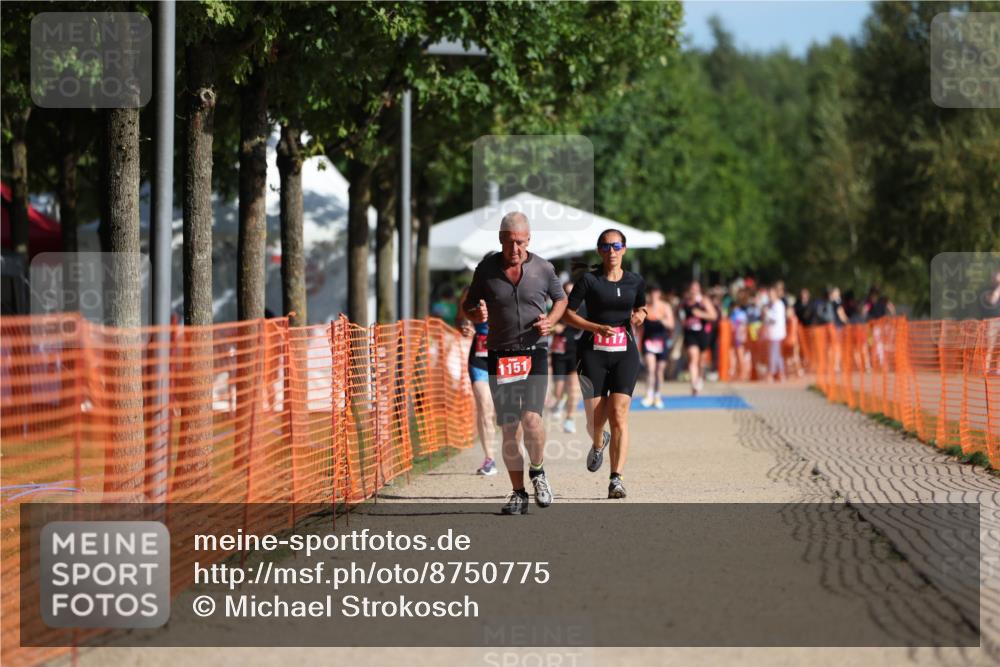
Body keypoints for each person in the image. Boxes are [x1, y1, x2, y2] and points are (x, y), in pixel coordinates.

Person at [462, 212, 567, 515]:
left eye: (521, 242)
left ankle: (538, 471)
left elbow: (560, 300)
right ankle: (518, 492)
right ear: (500, 240)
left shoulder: (543, 268)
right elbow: (467, 305)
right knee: (509, 427)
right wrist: (474, 315)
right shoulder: (486, 270)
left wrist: (552, 320)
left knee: (531, 420)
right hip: (501, 354)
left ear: (529, 240)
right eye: (510, 242)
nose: (516, 248)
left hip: (534, 351)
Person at [561, 229, 646, 499]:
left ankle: (616, 478)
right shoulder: (589, 280)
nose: (612, 251)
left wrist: (641, 314)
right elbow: (567, 315)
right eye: (606, 246)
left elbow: (642, 307)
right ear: (599, 250)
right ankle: (599, 442)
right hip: (593, 353)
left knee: (619, 415)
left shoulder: (635, 281)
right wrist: (596, 327)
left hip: (625, 352)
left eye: (616, 246)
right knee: (596, 421)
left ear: (624, 249)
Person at [457, 273, 498, 476]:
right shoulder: (471, 294)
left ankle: (514, 449)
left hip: (505, 358)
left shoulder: (511, 291)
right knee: (484, 407)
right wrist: (466, 327)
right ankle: (489, 458)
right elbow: (463, 319)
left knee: (507, 411)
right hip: (480, 358)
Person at [548, 281, 580, 434]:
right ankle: (560, 401)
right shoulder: (556, 308)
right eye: (566, 292)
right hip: (559, 352)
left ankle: (569, 419)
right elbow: (546, 326)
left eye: (572, 292)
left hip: (575, 352)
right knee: (559, 389)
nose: (569, 296)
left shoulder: (582, 308)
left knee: (573, 388)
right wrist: (555, 328)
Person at [680, 281, 718, 395]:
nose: (693, 291)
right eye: (692, 289)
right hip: (690, 334)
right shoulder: (685, 302)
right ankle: (694, 384)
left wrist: (700, 314)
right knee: (693, 358)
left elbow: (714, 315)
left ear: (699, 290)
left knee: (701, 362)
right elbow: (681, 316)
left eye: (696, 289)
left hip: (703, 334)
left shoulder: (703, 301)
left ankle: (699, 378)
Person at [640, 284, 674, 408]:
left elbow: (671, 325)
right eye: (651, 292)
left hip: (661, 341)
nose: (653, 295)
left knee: (660, 370)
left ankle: (658, 395)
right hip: (648, 341)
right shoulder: (645, 307)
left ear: (659, 294)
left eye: (656, 292)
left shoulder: (666, 307)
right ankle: (648, 394)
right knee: (650, 368)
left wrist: (661, 319)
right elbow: (638, 324)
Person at [764, 284, 787, 382]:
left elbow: (775, 319)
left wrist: (767, 313)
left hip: (777, 334)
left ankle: (774, 373)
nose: (770, 296)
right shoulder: (771, 305)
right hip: (771, 334)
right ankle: (779, 373)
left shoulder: (779, 305)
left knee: (775, 354)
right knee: (775, 354)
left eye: (772, 294)